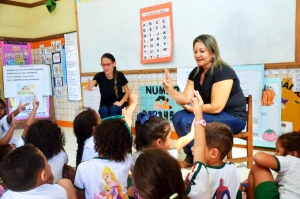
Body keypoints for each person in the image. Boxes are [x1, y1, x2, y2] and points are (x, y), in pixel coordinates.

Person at [163, 34, 247, 167]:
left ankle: (202, 158)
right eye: (195, 52)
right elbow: (186, 97)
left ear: (213, 52)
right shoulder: (196, 72)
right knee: (178, 117)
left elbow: (217, 107)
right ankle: (193, 157)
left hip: (233, 116)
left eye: (202, 51)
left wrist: (193, 109)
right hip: (211, 114)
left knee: (188, 120)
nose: (198, 55)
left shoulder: (223, 71)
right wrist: (171, 90)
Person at [132, 90, 210, 199]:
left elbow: (181, 142)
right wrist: (198, 118)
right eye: (169, 137)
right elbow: (191, 146)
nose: (171, 141)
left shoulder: (135, 159)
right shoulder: (168, 159)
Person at [74, 90, 138, 199]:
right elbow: (123, 131)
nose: (103, 122)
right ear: (95, 130)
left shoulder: (85, 146)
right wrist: (132, 104)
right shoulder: (126, 158)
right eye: (100, 121)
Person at [0, 144, 76, 199]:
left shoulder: (6, 195)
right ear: (44, 175)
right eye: (46, 161)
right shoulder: (59, 192)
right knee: (65, 182)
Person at [247, 132, 300, 199]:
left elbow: (258, 158)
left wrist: (265, 155)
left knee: (258, 167)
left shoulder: (293, 160)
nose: (275, 154)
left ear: (293, 154)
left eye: (277, 151)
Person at [204, 122, 242, 199]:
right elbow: (238, 191)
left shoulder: (204, 173)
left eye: (199, 146)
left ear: (214, 153)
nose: (193, 148)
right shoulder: (232, 167)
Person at [87, 53, 130, 119]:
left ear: (114, 64)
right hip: (104, 105)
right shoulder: (99, 76)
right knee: (103, 110)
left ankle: (115, 129)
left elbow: (127, 92)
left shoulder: (120, 75)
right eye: (103, 65)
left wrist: (120, 103)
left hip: (117, 105)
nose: (106, 67)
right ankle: (105, 129)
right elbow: (93, 82)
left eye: (108, 65)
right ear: (101, 65)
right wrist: (90, 85)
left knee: (114, 109)